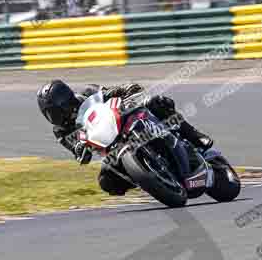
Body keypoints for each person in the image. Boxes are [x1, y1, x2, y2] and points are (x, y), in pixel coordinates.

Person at [37, 80, 213, 195]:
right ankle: (148, 178)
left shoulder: (88, 92)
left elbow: (113, 92)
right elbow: (75, 148)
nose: (54, 117)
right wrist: (80, 151)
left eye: (55, 111)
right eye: (49, 114)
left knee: (156, 102)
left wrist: (128, 89)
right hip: (110, 147)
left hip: (123, 120)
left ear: (65, 100)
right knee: (106, 182)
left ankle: (193, 134)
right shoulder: (60, 131)